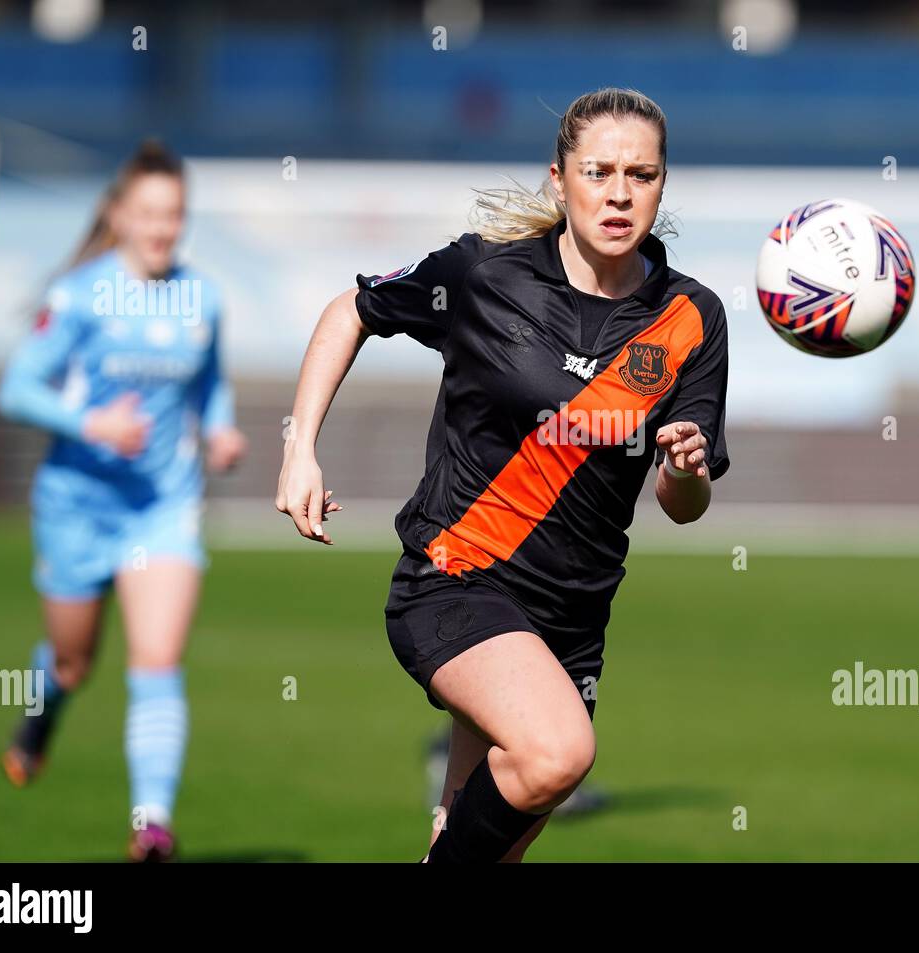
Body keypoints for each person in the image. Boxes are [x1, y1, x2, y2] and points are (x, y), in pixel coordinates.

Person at [276, 87, 730, 862]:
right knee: (559, 752)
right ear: (559, 179)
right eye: (599, 171)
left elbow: (683, 506)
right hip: (456, 577)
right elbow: (352, 312)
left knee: (475, 844)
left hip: (570, 620)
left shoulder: (691, 316)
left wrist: (684, 465)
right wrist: (300, 448)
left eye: (642, 175)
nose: (620, 192)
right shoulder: (483, 274)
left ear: (663, 183)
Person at [0, 140, 247, 862]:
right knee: (74, 662)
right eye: (148, 213)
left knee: (157, 658)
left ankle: (152, 824)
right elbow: (17, 388)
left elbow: (210, 383)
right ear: (119, 214)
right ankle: (43, 713)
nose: (162, 228)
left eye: (174, 214)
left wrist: (222, 426)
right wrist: (93, 423)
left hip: (162, 505)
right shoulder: (79, 295)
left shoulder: (203, 297)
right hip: (77, 504)